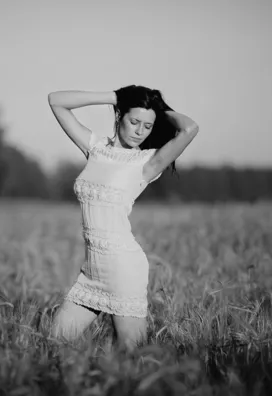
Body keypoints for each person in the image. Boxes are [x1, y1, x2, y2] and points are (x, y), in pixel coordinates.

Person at [47, 85, 199, 351]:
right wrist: (116, 97)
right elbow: (56, 101)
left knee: (132, 358)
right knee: (51, 345)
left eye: (148, 126)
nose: (140, 131)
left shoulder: (147, 162)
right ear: (119, 117)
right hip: (90, 271)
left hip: (123, 269)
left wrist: (159, 108)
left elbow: (190, 128)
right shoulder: (95, 148)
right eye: (134, 121)